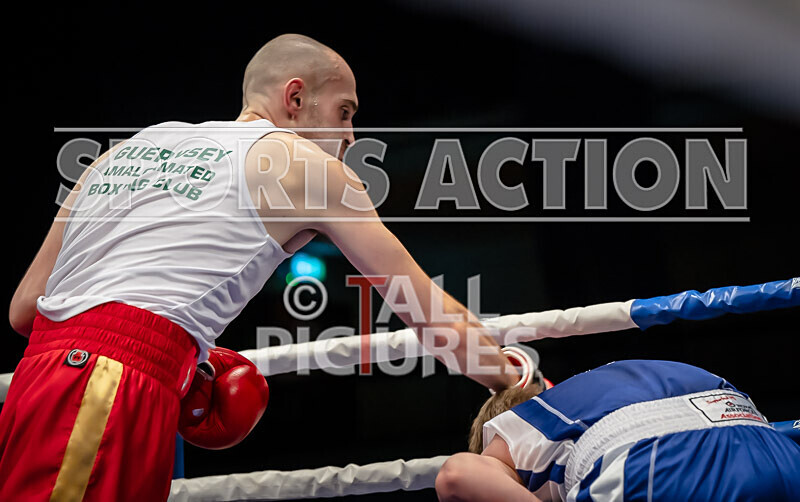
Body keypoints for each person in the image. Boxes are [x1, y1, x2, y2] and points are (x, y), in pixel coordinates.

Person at [2, 34, 520, 501]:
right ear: (295, 98)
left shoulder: (122, 152)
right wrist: (515, 378)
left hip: (41, 380)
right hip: (108, 388)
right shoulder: (309, 169)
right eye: (343, 111)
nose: (351, 135)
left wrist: (187, 357)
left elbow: (26, 309)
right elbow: (423, 310)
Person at [436, 359, 800, 502]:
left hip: (654, 467)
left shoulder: (509, 433)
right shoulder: (604, 385)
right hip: (776, 453)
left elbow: (457, 474)